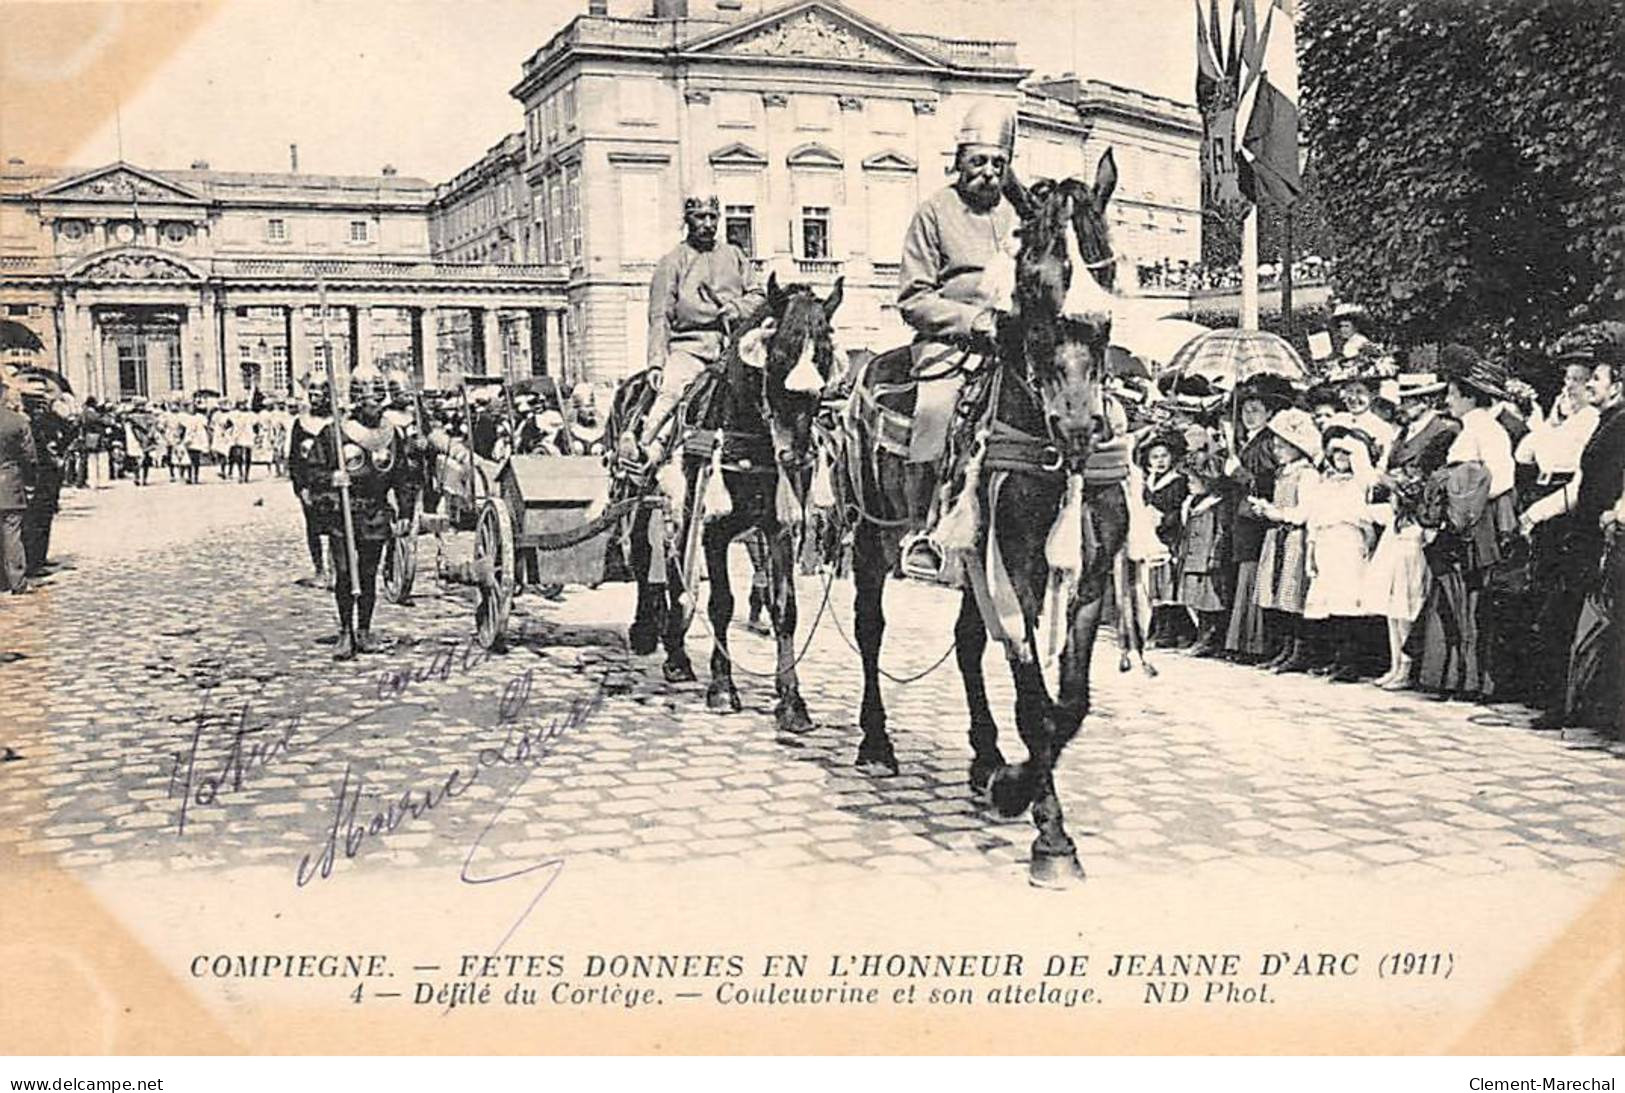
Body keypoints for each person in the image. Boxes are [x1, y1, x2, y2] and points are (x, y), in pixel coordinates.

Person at [895, 100, 1022, 579]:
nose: (988, 173)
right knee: (934, 410)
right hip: (951, 344)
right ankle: (924, 528)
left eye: (998, 164)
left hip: (1012, 344)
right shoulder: (932, 212)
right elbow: (912, 298)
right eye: (979, 162)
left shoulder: (1017, 214)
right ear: (960, 160)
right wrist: (975, 323)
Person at [1519, 323, 1625, 728]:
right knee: (1563, 616)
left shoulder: (1618, 424)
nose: (1590, 386)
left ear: (1616, 384)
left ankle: (1575, 707)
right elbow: (1581, 484)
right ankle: (1565, 704)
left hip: (1600, 536)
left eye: (1596, 378)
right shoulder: (1605, 422)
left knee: (1582, 620)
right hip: (1581, 535)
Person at [1411, 350, 1515, 699]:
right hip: (1458, 519)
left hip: (1475, 520)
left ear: (1471, 397)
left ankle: (1471, 678)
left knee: (1469, 595)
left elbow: (1501, 479)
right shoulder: (1467, 429)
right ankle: (1450, 676)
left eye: (1454, 395)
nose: (1448, 401)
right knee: (1452, 593)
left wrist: (1463, 494)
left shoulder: (1489, 430)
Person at [635, 192, 765, 467]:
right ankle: (647, 451)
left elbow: (758, 295)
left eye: (712, 217)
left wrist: (737, 308)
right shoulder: (672, 262)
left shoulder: (735, 255)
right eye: (699, 217)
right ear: (687, 220)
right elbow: (660, 316)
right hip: (690, 348)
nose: (707, 224)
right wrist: (656, 364)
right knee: (672, 391)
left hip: (734, 348)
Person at [306, 365, 418, 660]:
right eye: (369, 401)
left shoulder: (390, 434)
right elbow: (312, 471)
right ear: (357, 402)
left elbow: (403, 475)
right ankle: (345, 631)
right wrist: (331, 480)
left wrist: (405, 510)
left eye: (379, 401)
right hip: (343, 512)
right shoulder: (334, 434)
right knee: (345, 572)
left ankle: (365, 630)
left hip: (376, 511)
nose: (375, 408)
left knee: (368, 574)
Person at [1366, 372, 1459, 689]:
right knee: (1392, 594)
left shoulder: (1443, 431)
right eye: (1403, 400)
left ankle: (1408, 667)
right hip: (1399, 517)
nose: (1404, 406)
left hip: (1420, 519)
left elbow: (1433, 479)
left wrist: (1394, 481)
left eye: (1411, 400)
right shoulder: (1405, 432)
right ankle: (1396, 664)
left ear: (1428, 401)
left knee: (1409, 593)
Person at [1223, 374, 1294, 661]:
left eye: (1256, 411)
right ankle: (1240, 642)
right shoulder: (1244, 441)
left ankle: (1254, 644)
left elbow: (1265, 484)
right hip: (1240, 520)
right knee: (1243, 577)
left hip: (1256, 522)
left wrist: (1238, 473)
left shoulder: (1267, 444)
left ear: (1269, 414)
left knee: (1253, 579)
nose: (1248, 416)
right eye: (1245, 410)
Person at [1302, 423, 1381, 681]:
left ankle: (1351, 663)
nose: (1341, 458)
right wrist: (1311, 550)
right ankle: (1334, 658)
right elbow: (1314, 519)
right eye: (1337, 453)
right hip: (1326, 543)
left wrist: (1368, 549)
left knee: (1349, 604)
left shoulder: (1360, 484)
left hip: (1349, 543)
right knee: (1329, 605)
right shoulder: (1326, 483)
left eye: (1347, 454)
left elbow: (1366, 522)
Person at [1252, 407, 1323, 672]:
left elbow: (1305, 512)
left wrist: (1275, 512)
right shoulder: (1283, 473)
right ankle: (1283, 648)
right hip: (1278, 535)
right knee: (1277, 595)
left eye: (1284, 445)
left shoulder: (1307, 474)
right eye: (1276, 444)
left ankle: (1299, 651)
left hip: (1295, 537)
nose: (1277, 449)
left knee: (1293, 594)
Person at [1174, 450, 1232, 657]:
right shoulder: (1192, 503)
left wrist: (1215, 556)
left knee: (1210, 602)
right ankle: (1200, 635)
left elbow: (1221, 533)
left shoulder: (1217, 504)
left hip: (1206, 560)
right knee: (1193, 599)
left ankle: (1209, 639)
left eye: (1193, 479)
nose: (1189, 483)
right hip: (1191, 557)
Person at [288, 377, 334, 588]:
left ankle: (336, 569)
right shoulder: (301, 423)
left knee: (337, 527)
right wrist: (301, 487)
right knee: (313, 528)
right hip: (311, 483)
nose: (315, 400)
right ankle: (319, 569)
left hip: (332, 482)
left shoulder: (337, 422)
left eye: (319, 396)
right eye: (312, 396)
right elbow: (294, 458)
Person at [0, 380, 38, 595]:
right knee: (12, 534)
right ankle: (17, 582)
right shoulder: (17, 422)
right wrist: (30, 483)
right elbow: (30, 457)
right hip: (9, 483)